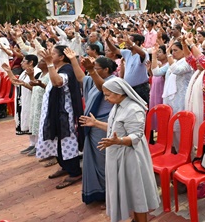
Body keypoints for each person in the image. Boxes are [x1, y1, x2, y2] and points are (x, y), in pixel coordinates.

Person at [79, 78, 160, 222]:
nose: (106, 98)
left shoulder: (134, 109)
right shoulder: (118, 106)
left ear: (119, 92)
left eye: (108, 95)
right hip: (118, 154)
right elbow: (113, 128)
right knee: (129, 191)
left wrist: (119, 141)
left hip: (131, 158)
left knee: (137, 193)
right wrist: (96, 123)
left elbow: (136, 136)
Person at [36, 46, 84, 189]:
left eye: (53, 53)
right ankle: (64, 166)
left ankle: (74, 171)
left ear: (61, 57)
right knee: (57, 139)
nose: (50, 54)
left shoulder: (67, 69)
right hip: (55, 111)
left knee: (66, 140)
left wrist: (49, 64)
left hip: (65, 112)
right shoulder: (57, 68)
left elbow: (58, 83)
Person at [80, 56, 118, 204]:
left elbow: (103, 88)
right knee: (96, 159)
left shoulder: (114, 82)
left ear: (106, 70)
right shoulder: (92, 78)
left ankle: (110, 195)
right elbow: (80, 78)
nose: (93, 72)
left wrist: (90, 70)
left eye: (96, 69)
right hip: (93, 124)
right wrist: (72, 61)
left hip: (103, 124)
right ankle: (100, 192)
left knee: (104, 160)